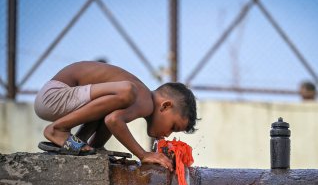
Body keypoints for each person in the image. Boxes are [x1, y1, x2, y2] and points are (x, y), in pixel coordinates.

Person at [34, 61, 198, 171]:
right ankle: (58, 129)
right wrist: (143, 154)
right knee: (127, 91)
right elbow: (113, 121)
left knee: (119, 100)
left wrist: (97, 147)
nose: (168, 134)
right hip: (54, 96)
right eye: (173, 127)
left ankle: (84, 141)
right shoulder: (145, 99)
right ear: (165, 106)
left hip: (56, 97)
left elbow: (110, 116)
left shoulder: (141, 98)